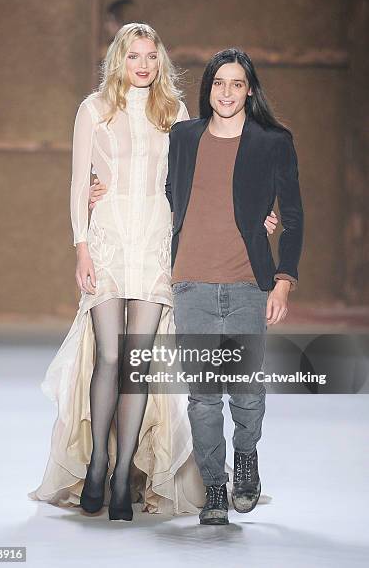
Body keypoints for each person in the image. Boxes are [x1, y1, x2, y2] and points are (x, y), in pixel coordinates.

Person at [90, 47, 303, 527]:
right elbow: (154, 187)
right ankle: (214, 488)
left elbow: (292, 215)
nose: (226, 93)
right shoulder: (184, 137)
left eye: (237, 84)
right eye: (218, 83)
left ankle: (245, 460)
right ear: (208, 89)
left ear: (250, 91)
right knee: (203, 396)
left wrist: (284, 280)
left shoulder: (273, 141)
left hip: (249, 282)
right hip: (190, 285)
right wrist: (94, 187)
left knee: (246, 390)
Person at [28, 22, 207, 521]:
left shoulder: (174, 111)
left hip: (153, 240)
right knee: (108, 353)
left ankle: (125, 474)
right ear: (119, 60)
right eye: (134, 56)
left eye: (151, 56)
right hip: (107, 240)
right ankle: (99, 462)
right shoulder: (94, 109)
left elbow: (193, 183)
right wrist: (81, 248)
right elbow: (75, 182)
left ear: (161, 60)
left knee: (135, 359)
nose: (144, 65)